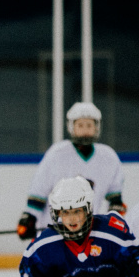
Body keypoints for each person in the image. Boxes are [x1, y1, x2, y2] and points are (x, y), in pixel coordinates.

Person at [16, 101, 126, 241]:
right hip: (53, 232)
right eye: (80, 125)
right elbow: (38, 192)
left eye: (89, 125)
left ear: (97, 127)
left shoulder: (108, 157)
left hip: (87, 233)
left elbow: (115, 198)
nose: (85, 130)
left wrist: (115, 214)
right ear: (71, 126)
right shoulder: (57, 154)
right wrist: (29, 217)